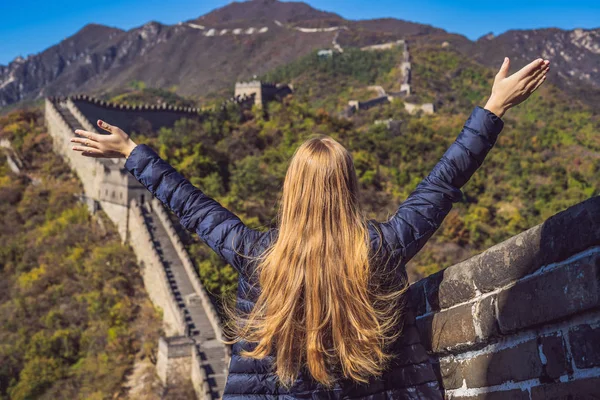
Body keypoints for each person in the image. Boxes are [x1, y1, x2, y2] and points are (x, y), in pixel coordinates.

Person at [70, 56, 550, 399]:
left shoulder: (253, 254)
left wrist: (131, 151)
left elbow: (192, 207)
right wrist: (491, 109)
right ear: (349, 188)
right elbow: (442, 184)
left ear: (290, 191)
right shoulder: (381, 248)